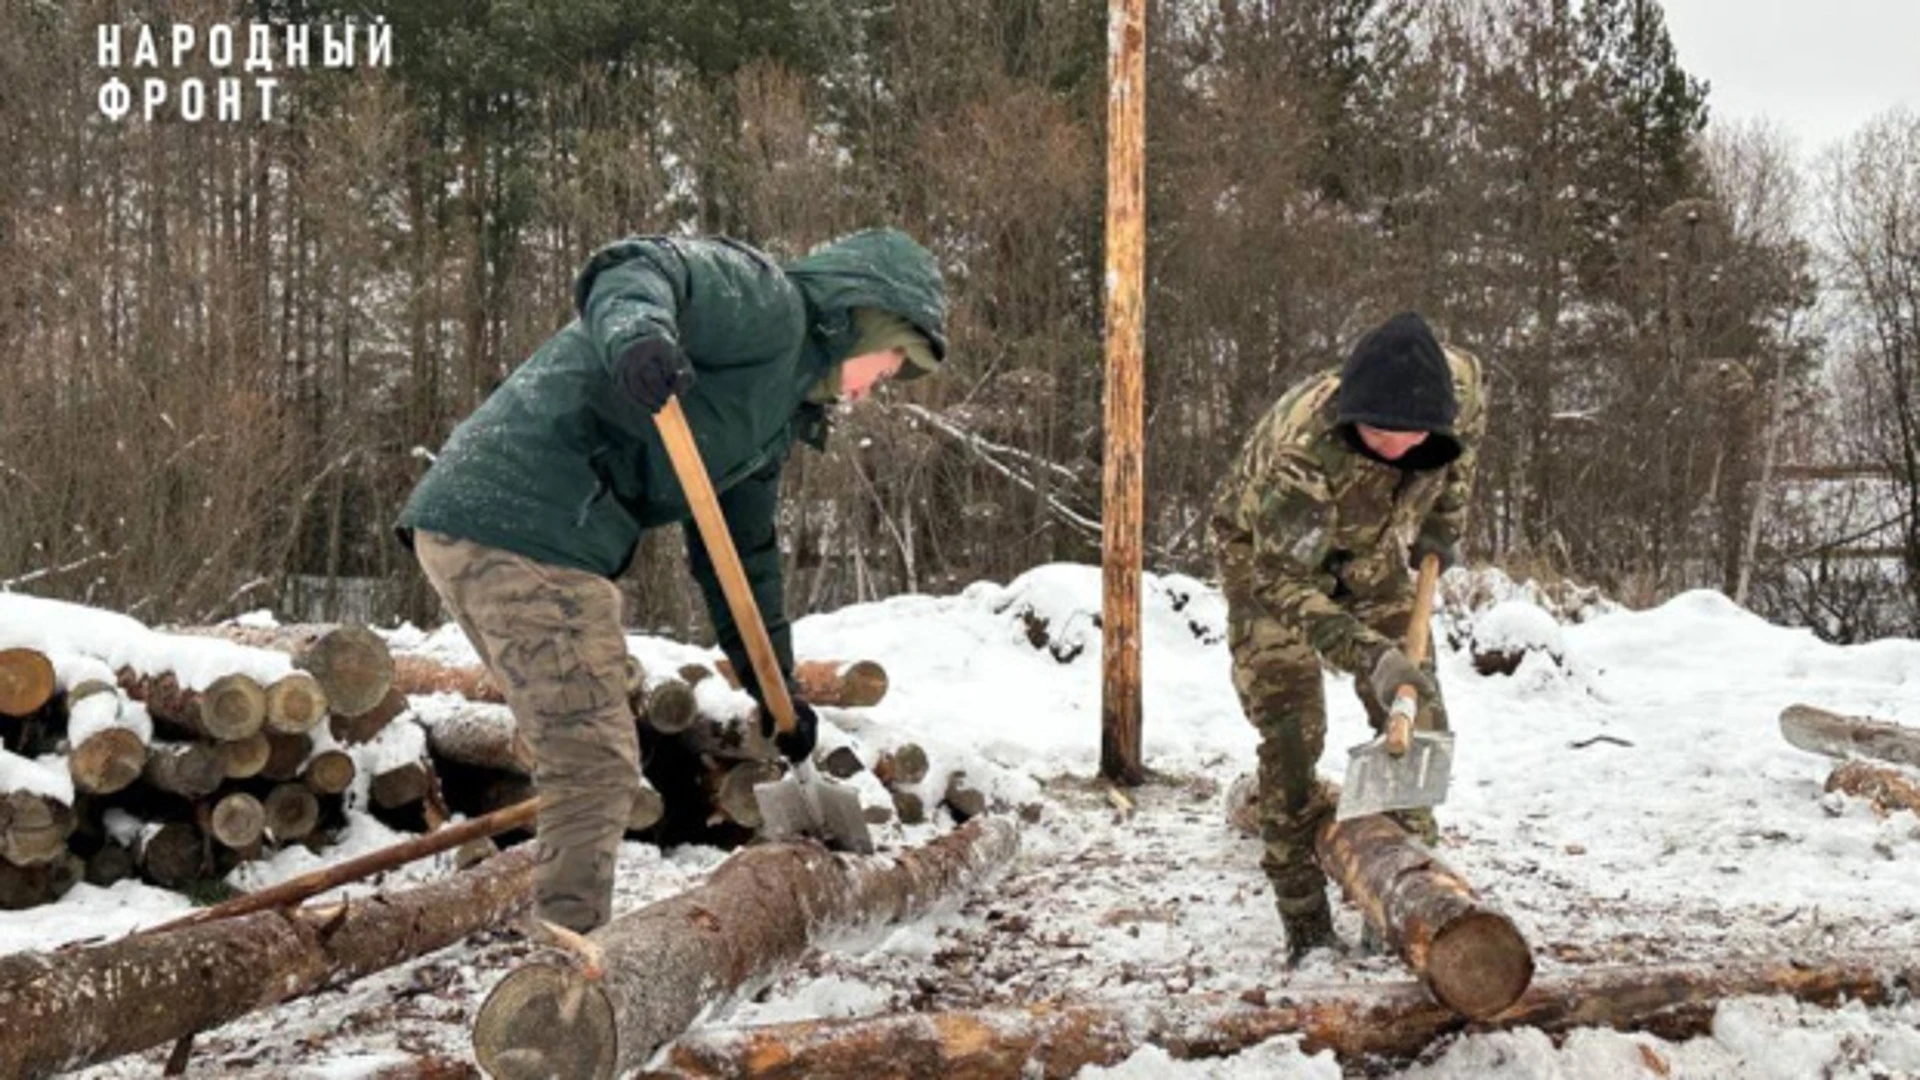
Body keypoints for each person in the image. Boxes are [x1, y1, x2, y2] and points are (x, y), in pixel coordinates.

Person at [396, 229, 947, 933]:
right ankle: (568, 977)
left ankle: (544, 908)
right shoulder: (769, 304)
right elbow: (637, 265)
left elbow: (742, 563)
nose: (878, 386)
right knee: (593, 757)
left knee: (575, 740)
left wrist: (778, 693)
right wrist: (639, 337)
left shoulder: (774, 421)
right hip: (524, 517)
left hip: (497, 526)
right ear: (866, 318)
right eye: (891, 360)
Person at [1210, 311, 1486, 962]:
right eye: (1377, 432)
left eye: (1410, 435)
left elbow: (1462, 457)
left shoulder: (1462, 385)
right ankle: (1304, 920)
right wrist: (1369, 656)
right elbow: (1286, 583)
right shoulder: (1301, 454)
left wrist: (1442, 529)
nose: (1394, 447)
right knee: (1291, 731)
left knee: (1418, 720)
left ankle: (1406, 895)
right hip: (1267, 560)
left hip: (1369, 550)